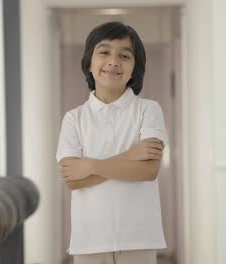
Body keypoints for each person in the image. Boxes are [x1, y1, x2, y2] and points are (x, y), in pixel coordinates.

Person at [56, 21, 168, 264]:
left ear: (134, 67)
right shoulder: (74, 118)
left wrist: (90, 165)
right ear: (89, 62)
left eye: (124, 56)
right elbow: (74, 180)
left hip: (139, 237)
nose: (113, 61)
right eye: (104, 52)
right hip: (89, 239)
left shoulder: (148, 110)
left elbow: (148, 170)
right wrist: (130, 155)